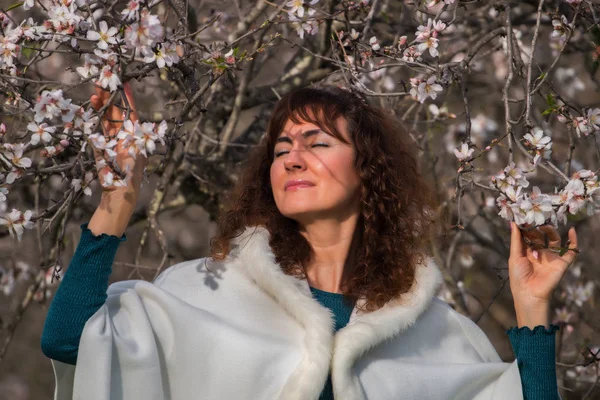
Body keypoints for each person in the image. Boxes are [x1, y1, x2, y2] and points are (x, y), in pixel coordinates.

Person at [41, 84, 578, 400]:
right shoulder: (202, 290)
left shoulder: (434, 332)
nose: (293, 157)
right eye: (281, 149)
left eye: (317, 142)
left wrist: (532, 310)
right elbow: (71, 340)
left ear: (369, 170)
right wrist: (116, 205)